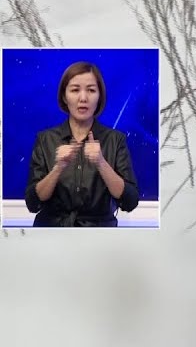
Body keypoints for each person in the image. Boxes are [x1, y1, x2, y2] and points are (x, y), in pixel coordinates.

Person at [23, 61, 140, 227]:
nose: (83, 98)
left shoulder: (115, 140)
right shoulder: (45, 139)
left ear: (99, 96)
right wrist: (58, 168)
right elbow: (32, 203)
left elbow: (130, 201)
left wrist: (101, 163)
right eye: (75, 90)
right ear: (64, 96)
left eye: (91, 90)